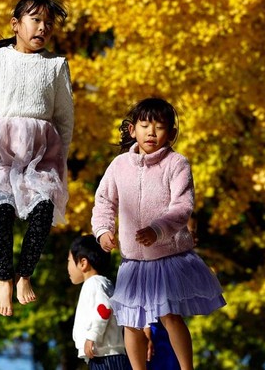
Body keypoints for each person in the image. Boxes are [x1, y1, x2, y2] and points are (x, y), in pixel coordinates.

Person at [91, 97, 226, 369]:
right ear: (133, 130)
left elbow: (182, 207)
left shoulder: (177, 164)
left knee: (170, 316)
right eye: (144, 125)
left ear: (172, 133)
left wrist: (158, 230)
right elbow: (104, 201)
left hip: (167, 256)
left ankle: (187, 368)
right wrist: (103, 230)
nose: (151, 132)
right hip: (133, 262)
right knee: (129, 321)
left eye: (160, 127)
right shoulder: (119, 166)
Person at [0, 0, 74, 316]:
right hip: (1, 150)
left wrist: (60, 160)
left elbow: (65, 118)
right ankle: (3, 280)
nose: (43, 28)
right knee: (1, 212)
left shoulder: (56, 66)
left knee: (43, 211)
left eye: (48, 23)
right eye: (36, 20)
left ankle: (24, 275)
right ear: (16, 25)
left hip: (42, 154)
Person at [67, 235, 132, 369]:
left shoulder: (93, 283)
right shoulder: (104, 283)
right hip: (108, 354)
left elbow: (104, 309)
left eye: (69, 261)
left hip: (105, 356)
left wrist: (92, 336)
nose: (67, 267)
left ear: (83, 263)